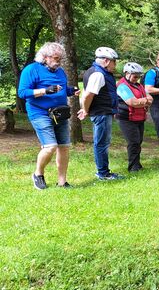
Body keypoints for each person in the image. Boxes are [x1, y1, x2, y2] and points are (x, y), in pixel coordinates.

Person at [18, 42, 80, 189]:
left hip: (60, 113)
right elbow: (22, 93)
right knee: (50, 147)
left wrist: (71, 91)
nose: (59, 61)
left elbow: (62, 90)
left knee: (64, 147)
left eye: (60, 59)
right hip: (40, 113)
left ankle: (62, 182)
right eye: (56, 58)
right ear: (45, 57)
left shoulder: (60, 71)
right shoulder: (31, 70)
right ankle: (38, 174)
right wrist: (45, 91)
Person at [78, 47, 121, 181]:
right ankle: (103, 173)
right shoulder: (98, 74)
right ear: (107, 61)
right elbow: (88, 95)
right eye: (114, 62)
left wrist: (84, 108)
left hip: (103, 111)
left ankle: (103, 171)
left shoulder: (95, 72)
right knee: (101, 143)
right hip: (101, 113)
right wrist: (85, 110)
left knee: (101, 142)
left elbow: (85, 94)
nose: (115, 65)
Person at [116, 62, 152, 172]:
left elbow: (150, 98)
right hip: (126, 118)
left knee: (138, 141)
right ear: (127, 73)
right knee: (133, 142)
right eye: (135, 76)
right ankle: (133, 167)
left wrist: (143, 101)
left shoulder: (138, 85)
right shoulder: (122, 86)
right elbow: (132, 102)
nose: (137, 79)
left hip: (139, 117)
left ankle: (137, 164)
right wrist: (145, 101)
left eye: (139, 76)